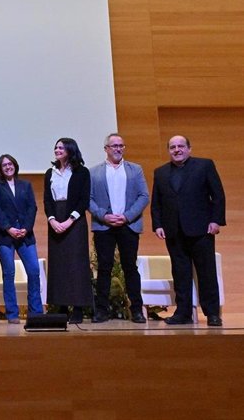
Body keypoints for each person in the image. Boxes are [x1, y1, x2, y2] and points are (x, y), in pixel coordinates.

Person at [151, 135, 226, 326]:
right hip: (174, 231)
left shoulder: (204, 166)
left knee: (206, 273)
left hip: (201, 230)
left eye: (181, 146)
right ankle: (183, 313)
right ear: (168, 150)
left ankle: (212, 314)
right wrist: (158, 225)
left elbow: (217, 195)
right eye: (173, 147)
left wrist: (216, 221)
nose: (177, 150)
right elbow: (156, 203)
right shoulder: (160, 172)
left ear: (189, 149)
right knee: (180, 273)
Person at [89, 133, 149, 324]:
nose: (118, 149)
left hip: (128, 225)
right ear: (106, 148)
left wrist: (127, 216)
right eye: (114, 146)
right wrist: (104, 216)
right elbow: (88, 199)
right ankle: (101, 311)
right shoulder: (94, 172)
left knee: (130, 267)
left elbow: (143, 196)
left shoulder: (135, 170)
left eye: (121, 146)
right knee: (104, 269)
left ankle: (137, 310)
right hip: (103, 226)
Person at [0, 154, 43, 324]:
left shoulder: (25, 185)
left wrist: (25, 228)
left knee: (34, 271)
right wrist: (9, 228)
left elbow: (31, 208)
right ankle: (12, 313)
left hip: (25, 235)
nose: (8, 167)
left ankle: (36, 312)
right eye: (4, 165)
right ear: (0, 168)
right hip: (5, 236)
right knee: (9, 273)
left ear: (15, 165)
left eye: (10, 164)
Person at [43, 137, 92, 324]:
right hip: (55, 219)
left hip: (75, 221)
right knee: (59, 263)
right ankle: (61, 306)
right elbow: (47, 199)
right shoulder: (50, 172)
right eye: (55, 147)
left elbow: (83, 200)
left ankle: (78, 307)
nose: (57, 150)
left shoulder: (82, 172)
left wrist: (70, 220)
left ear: (70, 150)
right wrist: (52, 219)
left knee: (76, 263)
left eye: (61, 147)